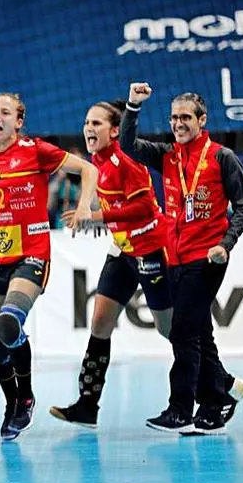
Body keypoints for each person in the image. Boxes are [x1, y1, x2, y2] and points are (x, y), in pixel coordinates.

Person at [0, 92, 98, 440]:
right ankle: (12, 401)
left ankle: (25, 395)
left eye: (5, 112)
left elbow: (88, 169)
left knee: (9, 322)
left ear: (19, 121)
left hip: (32, 253)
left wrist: (85, 206)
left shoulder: (35, 151)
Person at [121, 83, 243, 435]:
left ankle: (180, 408)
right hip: (175, 258)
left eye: (185, 118)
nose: (178, 124)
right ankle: (219, 399)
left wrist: (225, 244)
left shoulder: (222, 157)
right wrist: (133, 106)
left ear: (202, 119)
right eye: (174, 118)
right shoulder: (168, 156)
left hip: (208, 257)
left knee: (181, 330)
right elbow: (127, 145)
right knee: (198, 332)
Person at [47, 100, 174, 428]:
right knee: (100, 322)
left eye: (97, 123)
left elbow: (145, 208)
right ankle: (87, 406)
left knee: (169, 329)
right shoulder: (97, 160)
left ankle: (218, 386)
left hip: (150, 249)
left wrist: (97, 216)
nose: (88, 128)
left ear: (115, 131)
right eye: (86, 123)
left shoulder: (126, 159)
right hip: (122, 250)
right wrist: (98, 219)